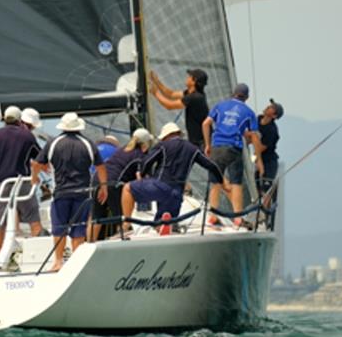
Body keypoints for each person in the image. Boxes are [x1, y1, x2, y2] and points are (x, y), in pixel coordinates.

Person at [32, 112, 108, 272]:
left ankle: (58, 261)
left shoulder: (53, 143)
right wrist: (104, 187)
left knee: (59, 228)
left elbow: (37, 163)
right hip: (82, 193)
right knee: (79, 230)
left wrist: (35, 178)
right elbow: (101, 167)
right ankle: (76, 263)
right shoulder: (88, 143)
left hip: (61, 192)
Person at [122, 123, 227, 230]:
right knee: (163, 221)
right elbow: (211, 165)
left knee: (127, 189)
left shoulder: (163, 145)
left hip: (160, 186)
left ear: (166, 136)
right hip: (177, 193)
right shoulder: (192, 148)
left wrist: (142, 174)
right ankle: (166, 223)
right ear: (178, 133)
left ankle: (126, 225)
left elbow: (147, 161)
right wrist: (222, 182)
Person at [0, 106, 43, 258]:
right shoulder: (27, 136)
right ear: (19, 120)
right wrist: (35, 174)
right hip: (23, 183)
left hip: (1, 184)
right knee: (34, 220)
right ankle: (38, 257)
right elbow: (39, 158)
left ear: (5, 119)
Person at [201, 83, 264, 227]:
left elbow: (206, 124)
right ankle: (237, 217)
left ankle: (212, 215)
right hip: (234, 148)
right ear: (246, 97)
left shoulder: (220, 106)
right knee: (236, 182)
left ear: (233, 93)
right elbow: (254, 136)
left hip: (217, 146)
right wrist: (259, 160)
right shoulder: (249, 112)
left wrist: (208, 145)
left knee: (216, 181)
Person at [91, 128, 153, 240]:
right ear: (146, 143)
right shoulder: (140, 156)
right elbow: (139, 178)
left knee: (97, 217)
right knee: (123, 218)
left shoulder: (122, 149)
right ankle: (124, 239)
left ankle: (89, 243)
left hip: (97, 181)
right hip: (114, 183)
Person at [148, 68, 209, 149]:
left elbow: (169, 106)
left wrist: (156, 93)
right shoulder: (191, 93)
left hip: (201, 142)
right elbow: (171, 94)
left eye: (189, 77)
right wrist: (156, 81)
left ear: (194, 81)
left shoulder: (195, 97)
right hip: (197, 141)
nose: (187, 78)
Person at [257, 98, 284, 228]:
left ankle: (264, 220)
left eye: (272, 107)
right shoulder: (257, 119)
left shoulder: (272, 130)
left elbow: (262, 147)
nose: (268, 107)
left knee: (265, 192)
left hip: (269, 162)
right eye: (269, 105)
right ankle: (256, 215)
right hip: (256, 159)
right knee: (255, 188)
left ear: (274, 115)